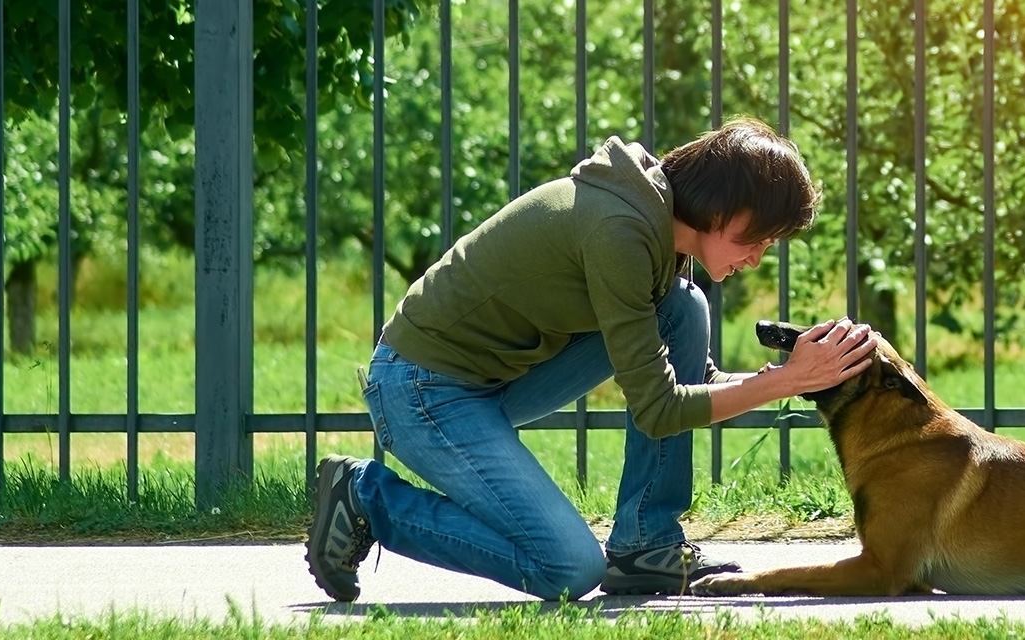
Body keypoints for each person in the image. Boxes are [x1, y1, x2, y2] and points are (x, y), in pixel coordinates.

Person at [305, 117, 878, 602]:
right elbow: (661, 409)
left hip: (491, 381)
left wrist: (791, 375)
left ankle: (645, 546)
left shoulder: (656, 231)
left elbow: (687, 386)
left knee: (681, 306)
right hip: (422, 389)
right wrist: (786, 381)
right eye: (761, 238)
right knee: (567, 568)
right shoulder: (620, 231)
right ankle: (365, 498)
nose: (758, 257)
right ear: (726, 209)